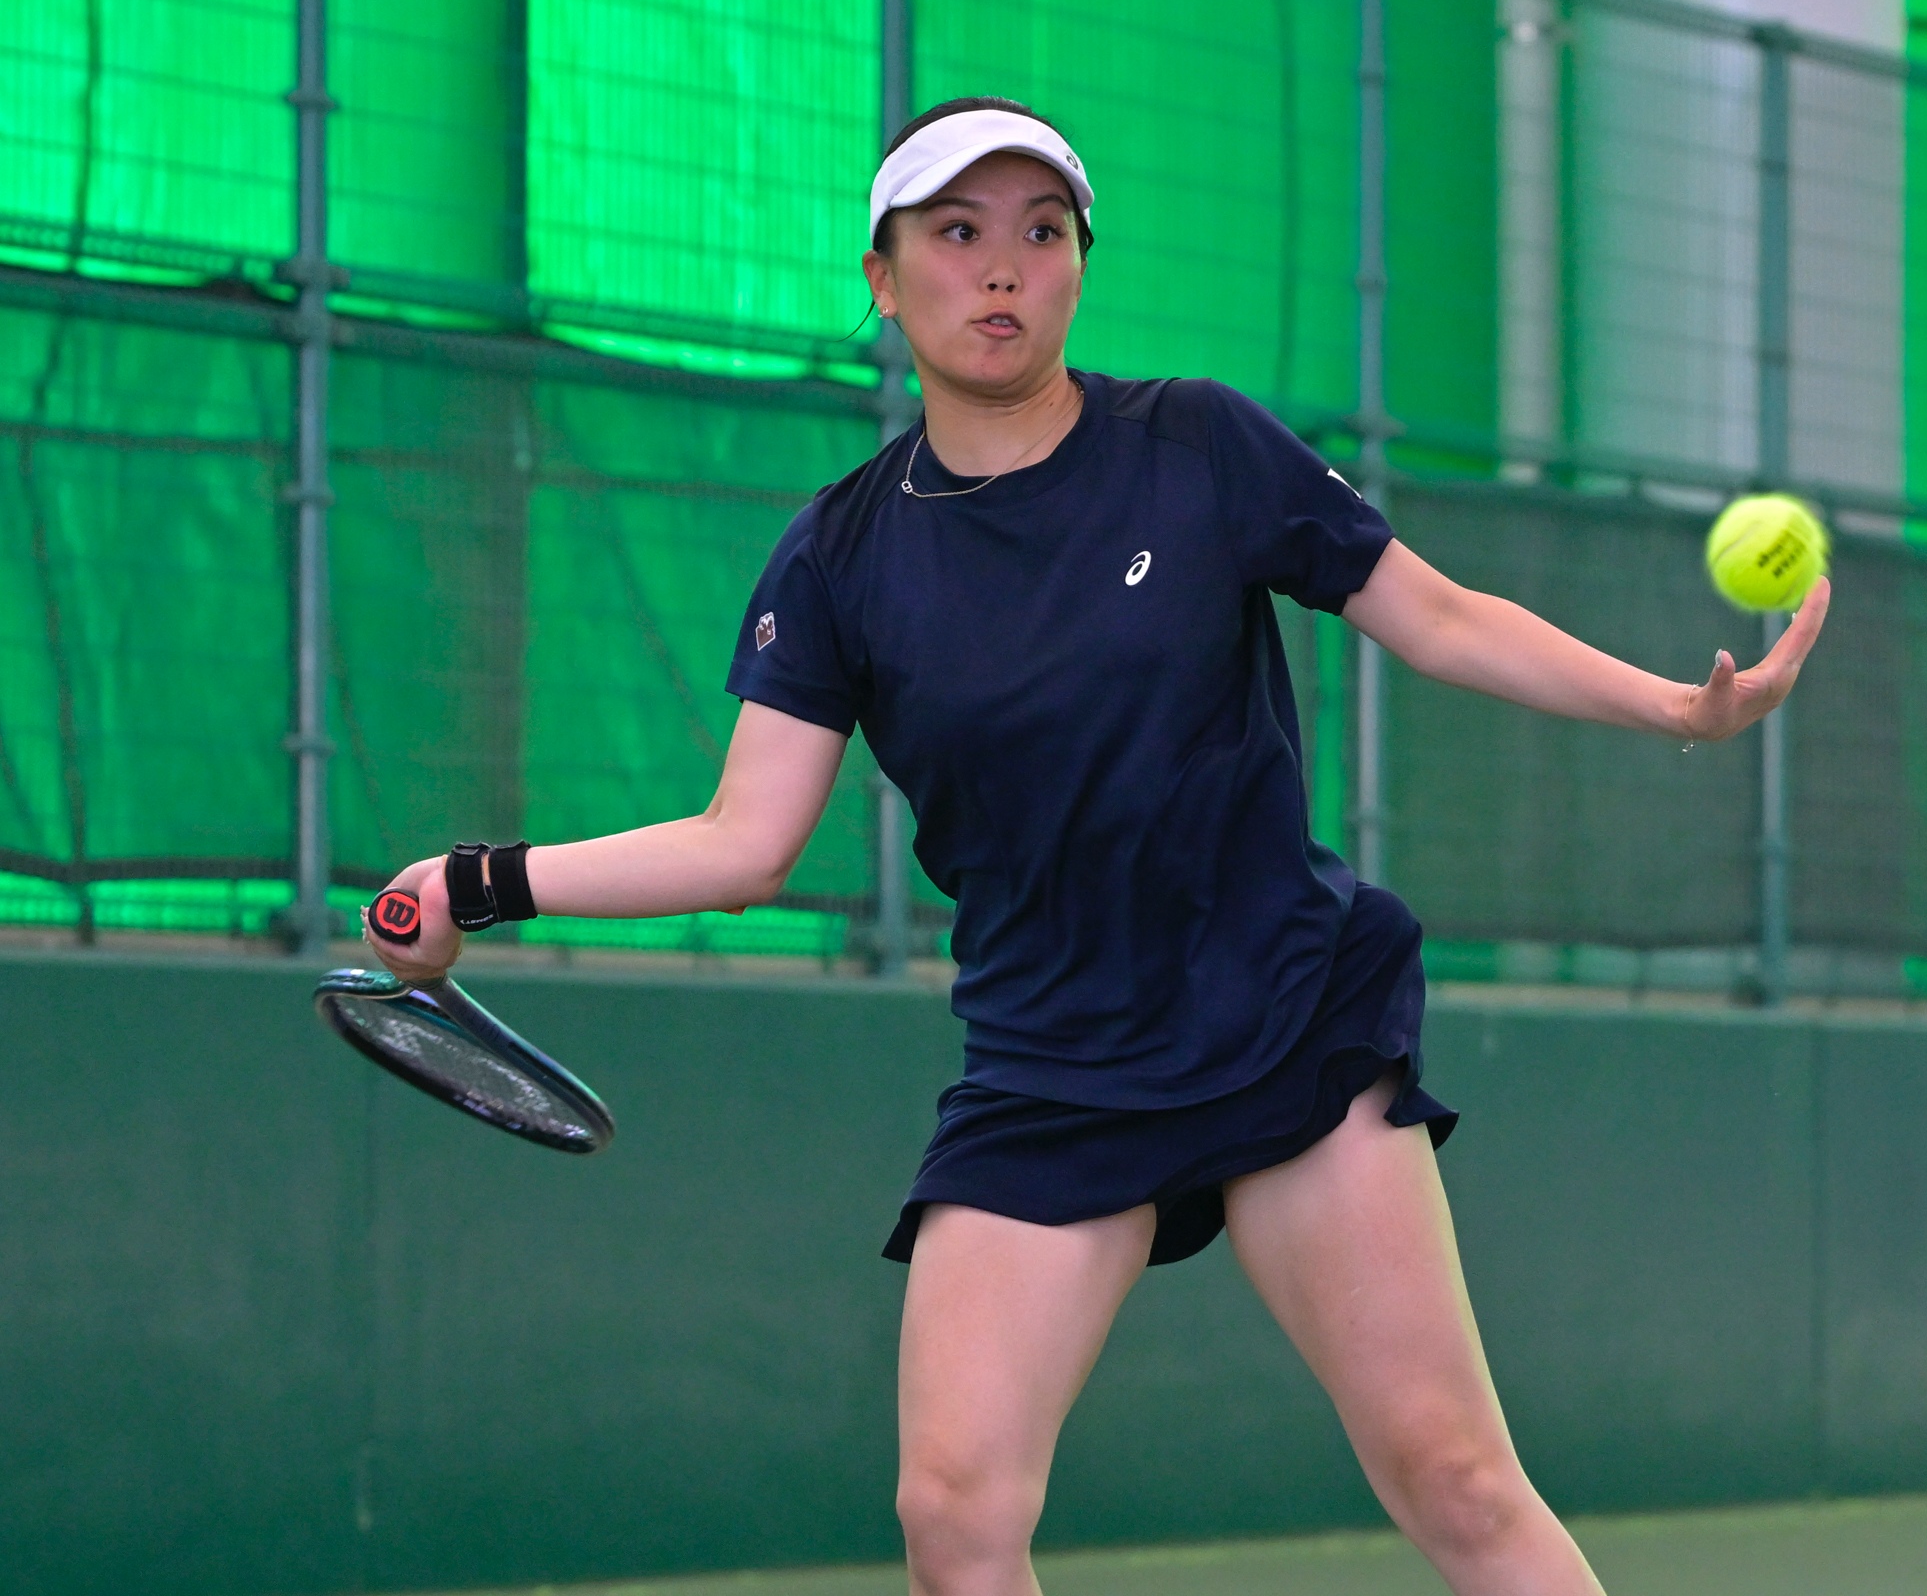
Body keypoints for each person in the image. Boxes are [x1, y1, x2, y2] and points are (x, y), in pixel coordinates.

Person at [366, 97, 1830, 1596]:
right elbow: (744, 843)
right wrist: (478, 883)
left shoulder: (1197, 445)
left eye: (1041, 232)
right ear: (883, 279)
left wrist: (1678, 709)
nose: (1001, 266)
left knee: (1453, 1474)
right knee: (953, 1519)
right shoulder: (839, 554)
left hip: (1282, 1020)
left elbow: (1441, 619)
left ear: (1077, 265)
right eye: (956, 233)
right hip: (1050, 1066)